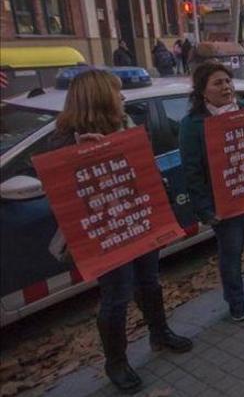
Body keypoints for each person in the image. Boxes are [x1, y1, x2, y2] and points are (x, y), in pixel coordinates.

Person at [51, 70, 192, 393]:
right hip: (107, 231)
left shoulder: (125, 123)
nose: (123, 98)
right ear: (99, 98)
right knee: (116, 297)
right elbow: (57, 185)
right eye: (117, 93)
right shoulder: (63, 137)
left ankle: (160, 333)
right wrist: (77, 150)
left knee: (149, 280)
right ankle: (116, 362)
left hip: (139, 218)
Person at [179, 62, 244, 321]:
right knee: (231, 255)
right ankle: (236, 302)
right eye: (218, 83)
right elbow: (192, 171)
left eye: (227, 81)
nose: (226, 87)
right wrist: (204, 209)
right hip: (225, 205)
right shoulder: (192, 125)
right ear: (203, 92)